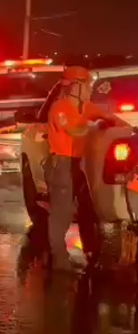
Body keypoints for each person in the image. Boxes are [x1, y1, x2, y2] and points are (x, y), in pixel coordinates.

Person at [45, 66, 114, 272]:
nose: (90, 88)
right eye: (87, 84)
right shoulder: (59, 108)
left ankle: (91, 253)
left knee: (87, 208)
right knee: (62, 213)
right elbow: (73, 131)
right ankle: (59, 261)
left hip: (78, 164)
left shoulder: (87, 108)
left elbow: (111, 119)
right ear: (75, 86)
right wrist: (93, 126)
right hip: (61, 165)